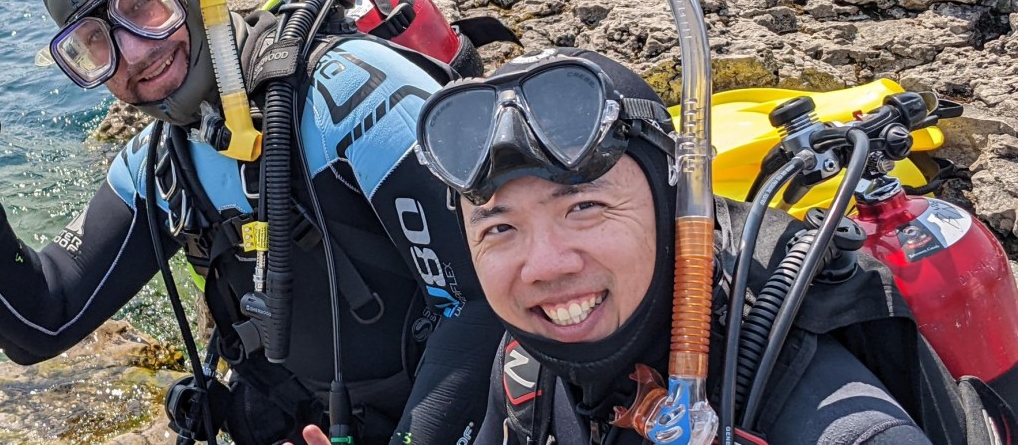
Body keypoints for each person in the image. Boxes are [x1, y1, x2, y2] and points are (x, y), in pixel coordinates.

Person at [0, 0, 506, 444]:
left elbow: (489, 300)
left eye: (143, 6)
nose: (136, 55)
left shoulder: (348, 91)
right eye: (93, 44)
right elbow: (41, 320)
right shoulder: (160, 163)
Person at [413, 47, 1009, 445]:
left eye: (585, 208)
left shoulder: (843, 426)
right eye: (499, 228)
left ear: (677, 212)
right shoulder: (525, 364)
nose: (543, 266)